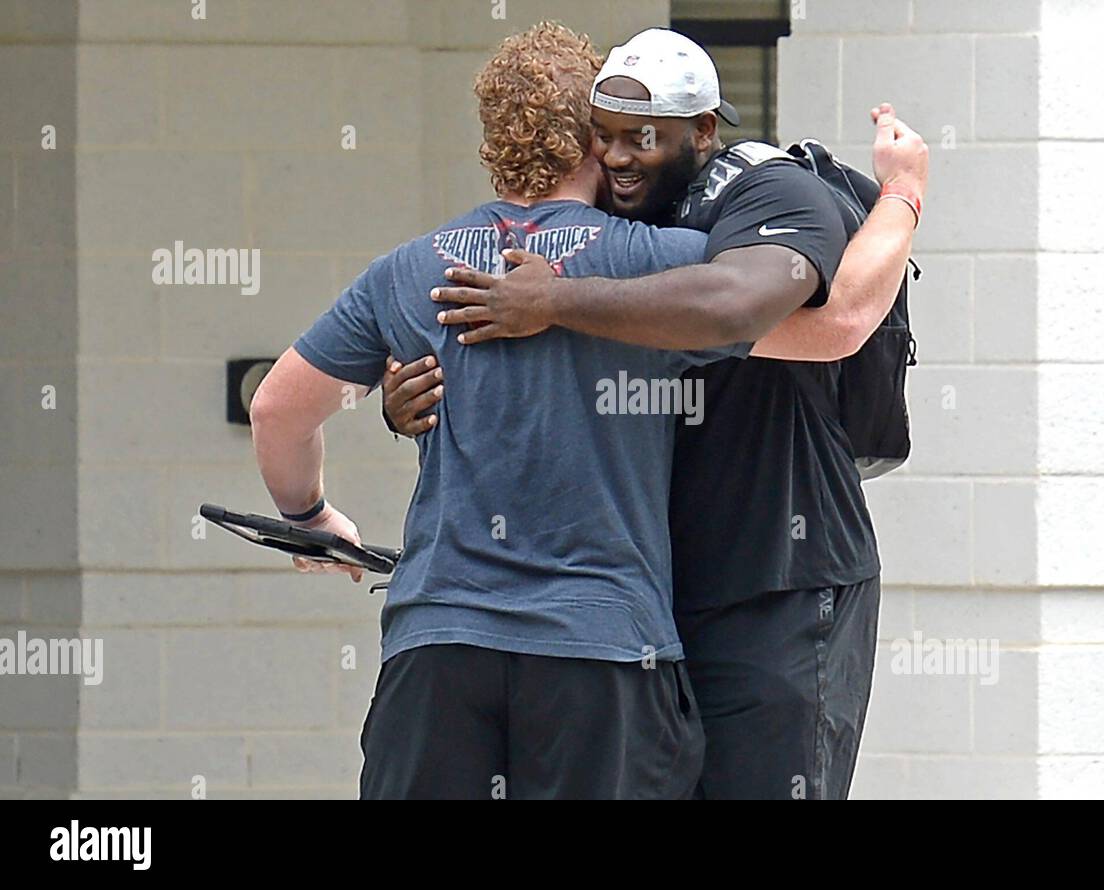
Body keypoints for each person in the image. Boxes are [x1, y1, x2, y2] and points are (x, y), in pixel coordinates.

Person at [387, 27, 930, 799]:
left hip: (775, 581)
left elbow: (819, 320)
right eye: (601, 135)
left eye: (640, 137)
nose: (615, 156)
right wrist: (413, 396)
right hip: (643, 604)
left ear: (703, 130)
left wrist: (903, 196)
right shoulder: (595, 224)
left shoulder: (766, 190)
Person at [248, 22, 756, 799]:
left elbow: (277, 410)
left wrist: (311, 517)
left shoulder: (408, 272)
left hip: (439, 646)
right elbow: (810, 324)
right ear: (595, 137)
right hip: (604, 650)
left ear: (493, 142)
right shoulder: (659, 264)